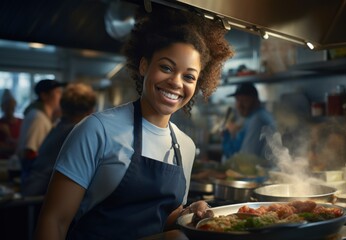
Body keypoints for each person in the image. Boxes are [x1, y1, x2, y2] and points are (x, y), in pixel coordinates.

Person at [34, 4, 233, 240]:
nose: (176, 82)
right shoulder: (97, 130)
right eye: (166, 67)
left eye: (189, 76)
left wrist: (189, 213)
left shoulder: (186, 146)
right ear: (144, 65)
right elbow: (53, 221)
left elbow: (159, 218)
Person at [22, 83, 97, 197]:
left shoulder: (60, 126)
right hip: (40, 197)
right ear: (90, 110)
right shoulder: (77, 131)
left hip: (32, 188)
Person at [16, 79, 65, 183]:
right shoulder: (38, 117)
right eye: (57, 93)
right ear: (44, 95)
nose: (61, 96)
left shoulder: (43, 116)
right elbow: (29, 152)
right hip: (34, 177)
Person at [221, 83, 276, 166]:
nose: (239, 105)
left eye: (244, 101)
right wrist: (230, 135)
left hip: (260, 175)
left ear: (255, 100)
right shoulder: (251, 118)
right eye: (238, 100)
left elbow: (246, 158)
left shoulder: (258, 119)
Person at [0, 89, 22, 159]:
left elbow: (24, 144)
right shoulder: (1, 124)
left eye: (11, 107)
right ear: (3, 107)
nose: (9, 109)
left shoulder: (21, 122)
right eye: (7, 107)